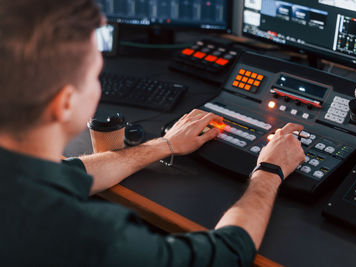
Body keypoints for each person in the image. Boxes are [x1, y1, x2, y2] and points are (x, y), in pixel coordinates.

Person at [0, 0, 305, 266]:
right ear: (65, 103)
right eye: (95, 76)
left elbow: (69, 173)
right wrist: (269, 170)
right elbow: (226, 254)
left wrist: (165, 144)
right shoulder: (93, 238)